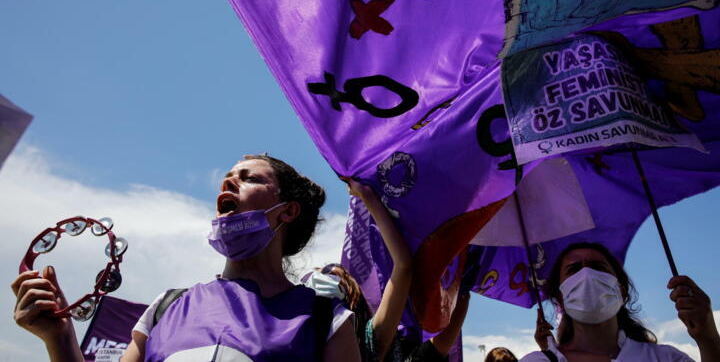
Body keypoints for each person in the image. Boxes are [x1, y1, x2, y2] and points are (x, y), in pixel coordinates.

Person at [12, 155, 361, 362]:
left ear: (287, 212)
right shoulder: (167, 306)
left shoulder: (324, 318)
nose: (228, 185)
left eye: (248, 178)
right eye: (225, 181)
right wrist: (59, 339)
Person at [305, 178, 469, 361]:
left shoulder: (367, 343)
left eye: (338, 281)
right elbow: (403, 266)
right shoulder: (369, 344)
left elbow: (404, 267)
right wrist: (367, 197)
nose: (323, 278)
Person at [521, 242, 720, 362]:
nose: (587, 275)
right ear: (560, 298)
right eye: (574, 270)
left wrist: (708, 337)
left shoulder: (664, 358)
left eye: (598, 267)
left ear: (622, 291)